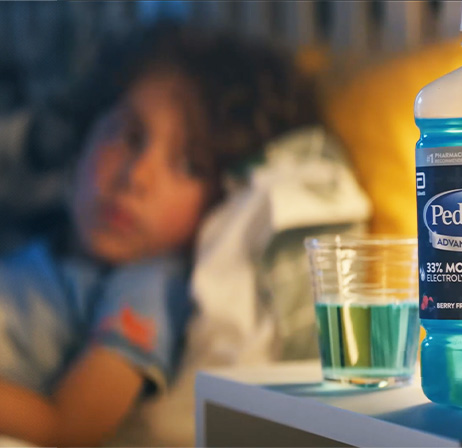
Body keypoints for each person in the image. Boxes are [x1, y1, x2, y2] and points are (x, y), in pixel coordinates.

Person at [0, 24, 319, 447]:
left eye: (190, 165)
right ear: (84, 138)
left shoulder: (148, 288)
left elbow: (69, 427)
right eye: (130, 136)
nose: (137, 176)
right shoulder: (43, 239)